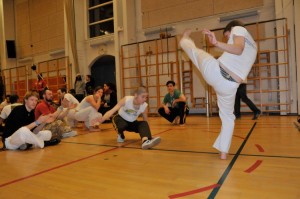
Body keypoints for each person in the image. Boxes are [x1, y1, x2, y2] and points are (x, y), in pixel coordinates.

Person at [179, 20, 257, 159]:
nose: (228, 39)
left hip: (216, 72)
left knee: (196, 53)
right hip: (230, 86)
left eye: (227, 36)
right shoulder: (254, 47)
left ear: (230, 29)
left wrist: (216, 43)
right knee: (228, 118)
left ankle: (184, 40)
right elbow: (240, 55)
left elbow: (238, 49)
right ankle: (223, 153)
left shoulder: (238, 28)